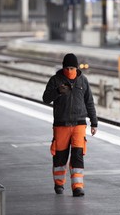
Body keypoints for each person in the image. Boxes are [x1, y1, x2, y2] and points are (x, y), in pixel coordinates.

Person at [42, 53, 98, 197]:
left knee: (77, 156)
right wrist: (57, 91)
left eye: (72, 68)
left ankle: (78, 186)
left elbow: (89, 102)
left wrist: (94, 122)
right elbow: (46, 99)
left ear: (77, 68)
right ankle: (59, 184)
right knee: (60, 157)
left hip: (79, 124)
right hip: (61, 124)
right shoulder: (55, 80)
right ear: (63, 67)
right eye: (67, 67)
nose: (69, 70)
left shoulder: (83, 81)